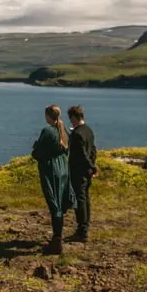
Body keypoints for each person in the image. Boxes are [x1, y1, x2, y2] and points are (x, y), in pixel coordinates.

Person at [32, 104, 77, 255]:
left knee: (54, 203)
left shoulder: (48, 131)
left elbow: (38, 152)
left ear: (48, 116)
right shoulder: (63, 130)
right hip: (63, 168)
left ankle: (57, 240)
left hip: (51, 169)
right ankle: (58, 236)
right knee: (59, 203)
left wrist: (36, 149)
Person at [67, 105, 98, 243]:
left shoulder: (77, 134)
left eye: (71, 119)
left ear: (74, 117)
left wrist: (92, 167)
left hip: (78, 171)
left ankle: (82, 231)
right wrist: (91, 166)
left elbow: (82, 154)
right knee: (85, 199)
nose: (70, 122)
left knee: (80, 200)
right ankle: (84, 228)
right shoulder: (88, 130)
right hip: (86, 171)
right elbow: (93, 151)